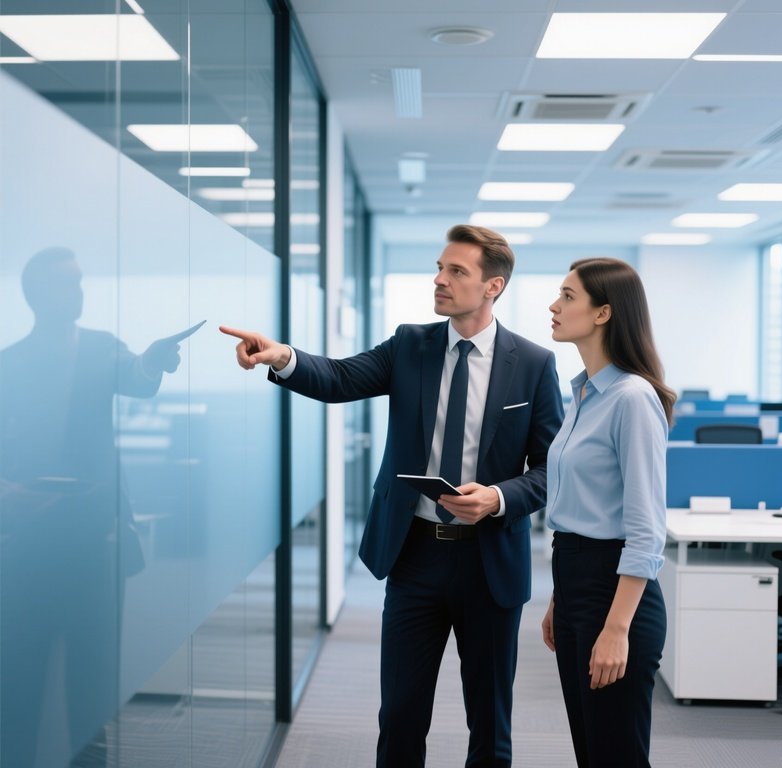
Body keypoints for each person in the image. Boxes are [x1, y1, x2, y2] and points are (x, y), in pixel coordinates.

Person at [221, 224, 563, 767]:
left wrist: (498, 497)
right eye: (439, 267)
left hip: (489, 560)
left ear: (493, 286)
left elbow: (551, 470)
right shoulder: (411, 345)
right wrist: (282, 355)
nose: (440, 280)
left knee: (490, 721)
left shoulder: (535, 364)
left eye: (456, 271)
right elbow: (337, 378)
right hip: (415, 556)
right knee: (400, 716)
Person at [0, 247, 183, 766]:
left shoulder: (103, 348)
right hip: (24, 542)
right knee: (18, 677)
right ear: (35, 295)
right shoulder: (10, 363)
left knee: (93, 679)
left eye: (79, 282)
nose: (78, 292)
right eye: (66, 283)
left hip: (92, 538)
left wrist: (151, 361)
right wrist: (8, 496)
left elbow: (137, 379)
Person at [540, 257, 675, 768]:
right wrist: (561, 597)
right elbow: (582, 510)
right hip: (576, 580)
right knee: (591, 752)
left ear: (603, 313)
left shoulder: (631, 399)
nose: (555, 306)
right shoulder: (582, 395)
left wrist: (617, 628)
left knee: (615, 755)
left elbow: (644, 531)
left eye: (568, 296)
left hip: (615, 593)